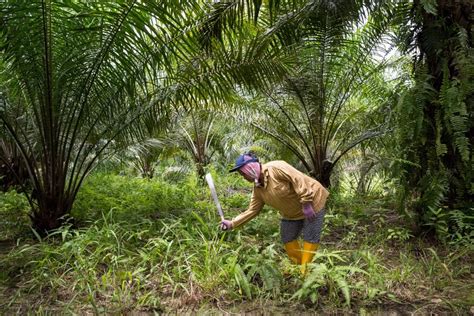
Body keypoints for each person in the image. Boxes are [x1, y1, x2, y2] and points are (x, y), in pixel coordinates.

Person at [221, 152, 329, 275]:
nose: (243, 177)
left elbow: (298, 179)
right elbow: (252, 210)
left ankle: (306, 273)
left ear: (250, 167)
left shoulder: (276, 167)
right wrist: (232, 223)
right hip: (291, 213)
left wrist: (306, 202)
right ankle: (298, 268)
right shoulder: (258, 189)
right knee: (287, 237)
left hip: (313, 203)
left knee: (310, 237)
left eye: (242, 173)